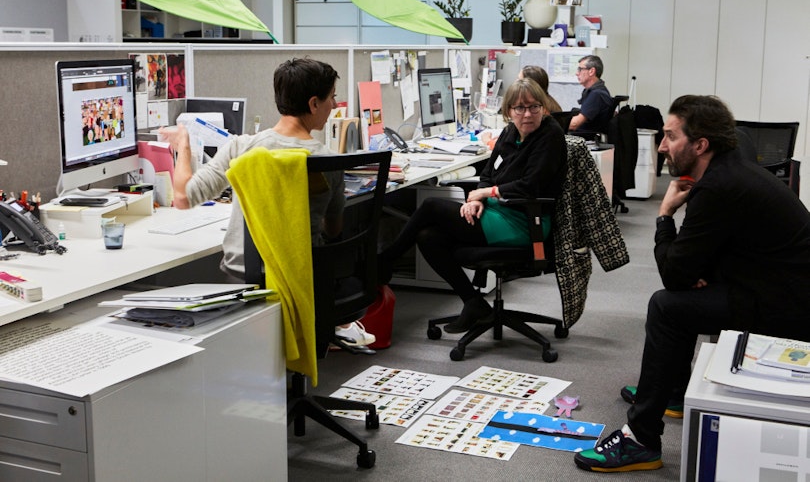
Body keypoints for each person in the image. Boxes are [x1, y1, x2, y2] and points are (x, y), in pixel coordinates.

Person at [574, 95, 810, 473]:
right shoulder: (733, 167)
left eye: (670, 136)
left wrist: (665, 214)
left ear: (700, 145)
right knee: (682, 298)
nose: (662, 145)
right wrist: (695, 268)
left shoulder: (717, 187)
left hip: (786, 306)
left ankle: (641, 440)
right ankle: (671, 391)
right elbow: (693, 263)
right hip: (778, 284)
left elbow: (674, 273)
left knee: (667, 306)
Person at [159, 57, 375, 348]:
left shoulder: (241, 148)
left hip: (243, 279)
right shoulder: (328, 161)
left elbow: (183, 198)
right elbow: (334, 229)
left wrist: (182, 144)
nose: (334, 105)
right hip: (301, 279)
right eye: (332, 97)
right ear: (314, 104)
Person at [378, 79, 567, 333]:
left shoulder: (550, 135)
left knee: (432, 206)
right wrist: (477, 199)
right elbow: (488, 173)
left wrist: (484, 193)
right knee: (427, 236)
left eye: (534, 107)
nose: (528, 114)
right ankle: (473, 302)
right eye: (520, 108)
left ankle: (384, 262)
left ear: (544, 108)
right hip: (497, 211)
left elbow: (530, 186)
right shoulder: (510, 132)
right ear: (509, 111)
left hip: (525, 222)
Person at [568, 55, 613, 134]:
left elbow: (574, 124)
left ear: (591, 71)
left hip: (587, 139)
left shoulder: (596, 94)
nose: (577, 73)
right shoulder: (600, 90)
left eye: (580, 69)